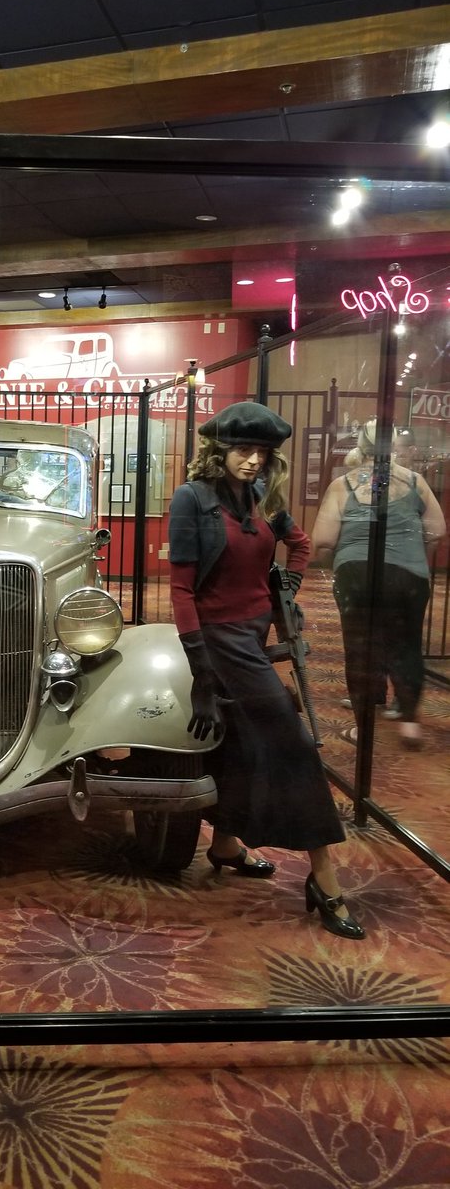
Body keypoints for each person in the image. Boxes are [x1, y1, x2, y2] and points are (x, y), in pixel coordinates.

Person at [168, 401, 364, 940]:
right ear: (219, 451)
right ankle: (324, 878)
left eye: (261, 452)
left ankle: (225, 844)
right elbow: (181, 591)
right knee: (292, 744)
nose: (253, 460)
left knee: (241, 743)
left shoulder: (260, 498)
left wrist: (290, 586)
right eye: (242, 449)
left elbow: (300, 545)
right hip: (219, 639)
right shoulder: (193, 499)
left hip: (255, 633)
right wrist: (202, 675)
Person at [311, 419, 446, 752]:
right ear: (394, 447)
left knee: (360, 649)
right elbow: (437, 531)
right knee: (407, 645)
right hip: (408, 575)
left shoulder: (343, 485)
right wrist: (411, 554)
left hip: (357, 574)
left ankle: (364, 728)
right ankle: (410, 722)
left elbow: (323, 541)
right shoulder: (415, 481)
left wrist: (337, 565)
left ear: (361, 446)